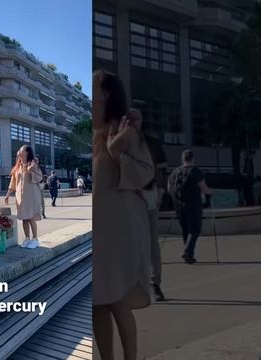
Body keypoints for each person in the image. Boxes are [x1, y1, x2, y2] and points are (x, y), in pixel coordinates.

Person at [93, 71, 154, 360]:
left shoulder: (125, 128)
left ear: (105, 93)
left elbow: (146, 171)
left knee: (117, 299)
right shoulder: (90, 132)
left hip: (119, 228)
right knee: (96, 302)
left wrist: (116, 152)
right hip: (97, 229)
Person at [129, 109, 166, 301]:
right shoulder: (119, 144)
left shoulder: (150, 143)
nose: (132, 122)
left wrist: (159, 192)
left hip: (148, 194)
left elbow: (161, 170)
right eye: (129, 119)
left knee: (151, 242)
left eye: (136, 119)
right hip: (126, 198)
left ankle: (154, 283)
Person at [168, 149, 212, 264]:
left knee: (185, 230)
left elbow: (169, 188)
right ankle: (187, 252)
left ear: (182, 159)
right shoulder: (195, 171)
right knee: (195, 230)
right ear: (193, 159)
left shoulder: (175, 172)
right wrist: (209, 193)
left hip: (179, 205)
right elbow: (203, 187)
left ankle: (189, 255)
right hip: (193, 204)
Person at [5, 145, 43, 249]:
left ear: (26, 152)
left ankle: (35, 239)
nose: (19, 150)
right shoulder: (17, 167)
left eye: (21, 149)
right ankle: (27, 238)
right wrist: (7, 195)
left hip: (31, 195)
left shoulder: (33, 164)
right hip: (20, 197)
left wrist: (31, 170)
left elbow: (39, 178)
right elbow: (12, 183)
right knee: (24, 218)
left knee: (31, 217)